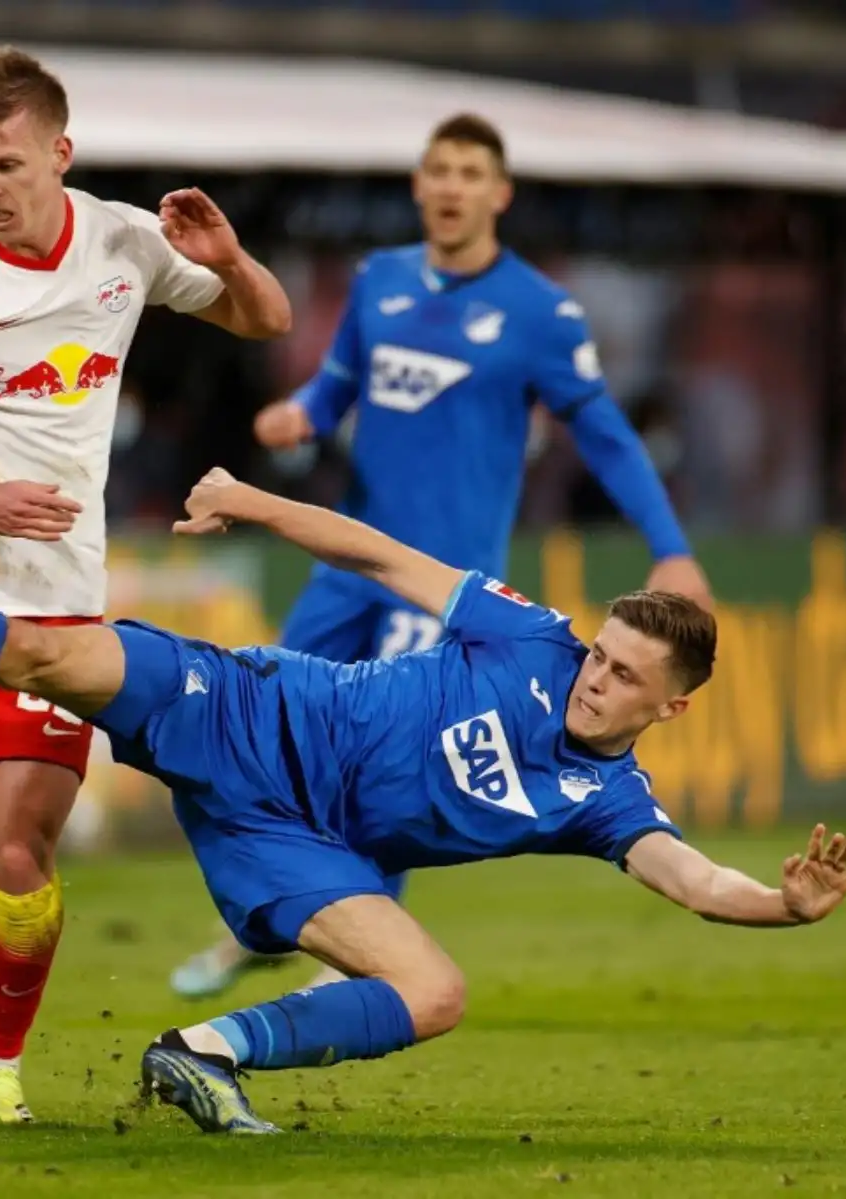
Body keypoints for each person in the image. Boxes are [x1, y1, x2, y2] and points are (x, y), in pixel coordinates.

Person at [0, 468, 846, 1136]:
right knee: (55, 659)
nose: (597, 677)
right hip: (255, 708)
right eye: (602, 653)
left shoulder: (608, 801)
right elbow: (380, 556)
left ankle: (202, 1051)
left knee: (435, 992)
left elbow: (695, 879)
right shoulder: (532, 634)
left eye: (626, 677)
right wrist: (248, 501)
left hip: (293, 841)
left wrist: (786, 905)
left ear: (671, 708)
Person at [0, 45, 291, 1123]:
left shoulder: (123, 240)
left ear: (60, 153)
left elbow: (264, 320)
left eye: (9, 164)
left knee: (23, 849)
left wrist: (230, 258)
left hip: (63, 613)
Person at [170, 112, 715, 999]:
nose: (452, 187)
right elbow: (340, 382)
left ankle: (348, 963)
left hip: (444, 590)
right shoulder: (379, 279)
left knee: (389, 761)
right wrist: (304, 411)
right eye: (439, 170)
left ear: (499, 193)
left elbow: (604, 433)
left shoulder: (538, 312)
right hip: (349, 564)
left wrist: (672, 547)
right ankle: (275, 912)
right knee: (263, 718)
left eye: (470, 173)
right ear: (419, 186)